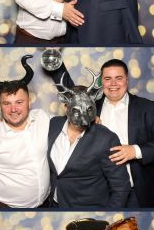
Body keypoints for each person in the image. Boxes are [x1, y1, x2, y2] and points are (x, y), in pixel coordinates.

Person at [50, 58, 154, 207]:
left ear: (127, 80)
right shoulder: (90, 105)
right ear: (101, 82)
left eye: (119, 78)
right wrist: (54, 59)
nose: (113, 84)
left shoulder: (146, 107)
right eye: (108, 79)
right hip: (100, 194)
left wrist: (135, 151)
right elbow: (72, 93)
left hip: (137, 192)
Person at [0, 56, 50, 208]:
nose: (13, 109)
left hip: (47, 204)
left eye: (19, 102)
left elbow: (69, 126)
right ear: (0, 105)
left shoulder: (43, 118)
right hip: (5, 207)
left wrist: (92, 119)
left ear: (29, 102)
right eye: (7, 103)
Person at [47, 70, 131, 208]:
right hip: (54, 205)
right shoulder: (53, 125)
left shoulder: (106, 139)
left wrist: (109, 216)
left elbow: (121, 187)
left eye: (88, 109)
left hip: (87, 209)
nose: (84, 118)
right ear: (66, 106)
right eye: (76, 110)